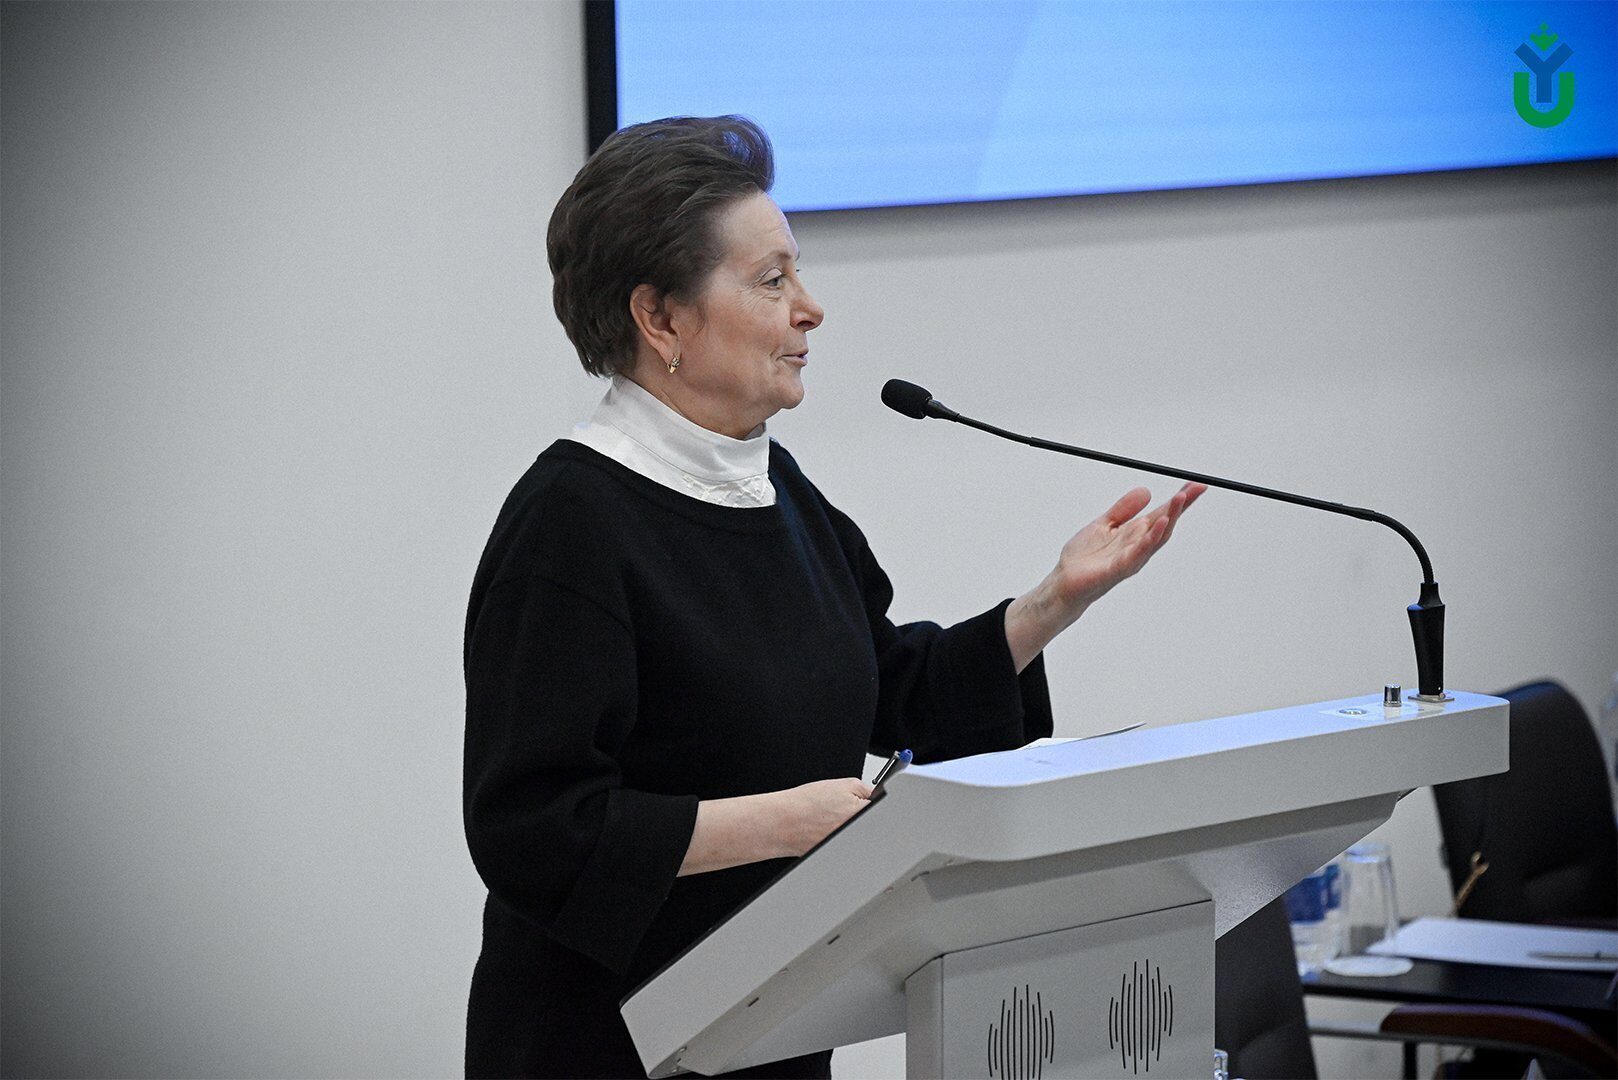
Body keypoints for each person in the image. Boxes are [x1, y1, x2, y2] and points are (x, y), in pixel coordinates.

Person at [462, 115, 1203, 1079]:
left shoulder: (772, 487)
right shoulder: (570, 523)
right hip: (605, 1043)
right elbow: (533, 830)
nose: (811, 310)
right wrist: (782, 823)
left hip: (766, 1025)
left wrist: (1053, 602)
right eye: (772, 281)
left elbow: (887, 689)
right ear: (662, 319)